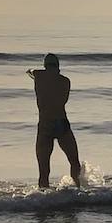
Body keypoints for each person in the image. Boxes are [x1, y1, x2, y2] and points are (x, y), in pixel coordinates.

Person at [28, 53, 83, 189]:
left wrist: (37, 74)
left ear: (45, 66)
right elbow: (64, 100)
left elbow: (29, 72)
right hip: (61, 123)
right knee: (74, 162)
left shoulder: (39, 76)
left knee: (44, 170)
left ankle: (43, 198)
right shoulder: (65, 81)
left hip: (45, 125)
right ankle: (78, 189)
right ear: (58, 67)